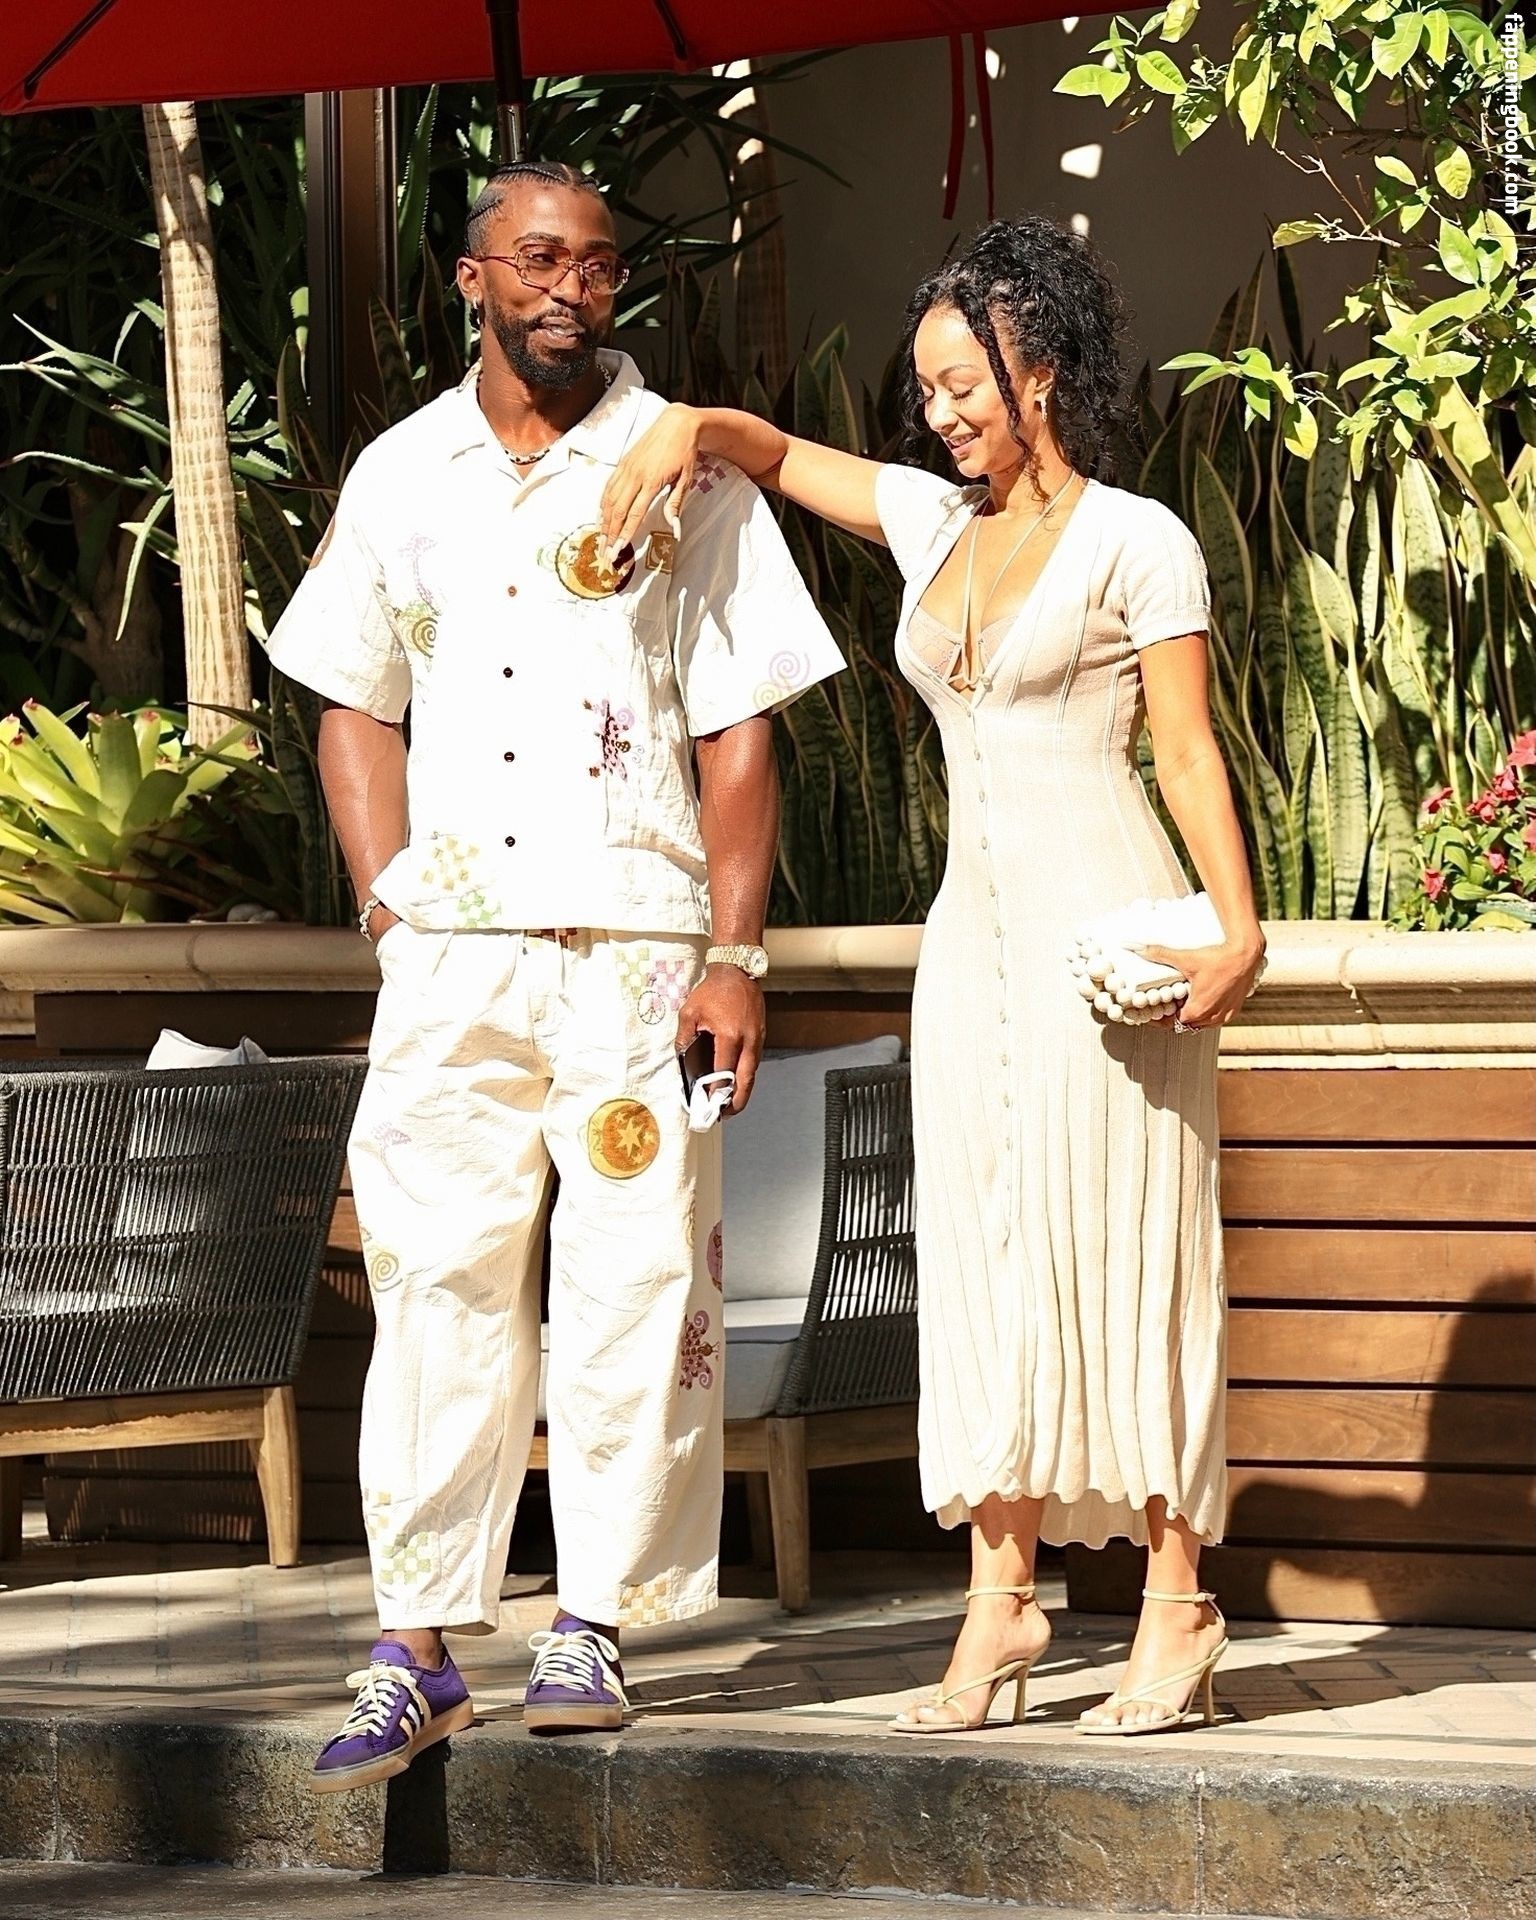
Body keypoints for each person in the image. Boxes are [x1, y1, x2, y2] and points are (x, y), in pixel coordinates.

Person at [601, 214, 1266, 1738]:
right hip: (971, 947)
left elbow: (1184, 749)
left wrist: (1238, 928)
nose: (941, 410)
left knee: (1131, 1252)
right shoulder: (929, 522)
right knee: (980, 1260)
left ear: (1044, 373)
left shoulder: (1139, 539)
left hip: (1107, 939)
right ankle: (1002, 1596)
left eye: (966, 382)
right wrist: (685, 430)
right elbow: (777, 453)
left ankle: (1178, 1601)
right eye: (927, 386)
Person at [265, 159, 844, 1791]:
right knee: (433, 1284)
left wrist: (735, 955)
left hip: (641, 958)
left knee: (637, 1285)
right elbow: (350, 696)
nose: (568, 288)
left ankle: (591, 1618)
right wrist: (391, 905)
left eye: (594, 264)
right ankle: (415, 1646)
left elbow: (740, 729)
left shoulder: (681, 467)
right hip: (455, 959)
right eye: (535, 259)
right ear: (473, 280)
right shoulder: (403, 472)